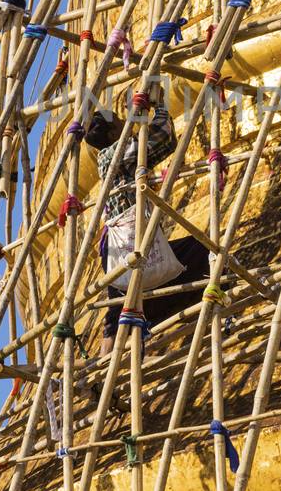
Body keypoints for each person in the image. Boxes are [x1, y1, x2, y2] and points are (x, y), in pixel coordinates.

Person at [83, 97, 208, 354]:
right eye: (120, 122)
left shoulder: (112, 158)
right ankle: (108, 369)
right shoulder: (116, 153)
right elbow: (161, 138)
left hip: (117, 244)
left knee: (118, 311)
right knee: (203, 252)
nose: (125, 124)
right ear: (112, 132)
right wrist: (160, 105)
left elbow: (158, 144)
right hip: (129, 241)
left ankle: (105, 371)